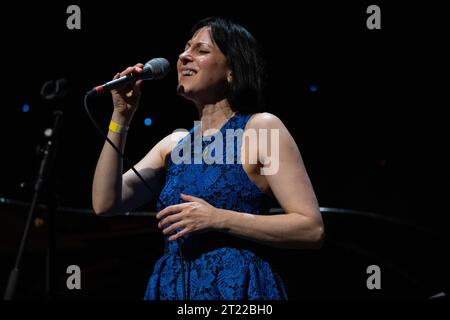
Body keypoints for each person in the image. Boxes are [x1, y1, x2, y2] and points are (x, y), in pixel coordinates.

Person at [92, 17, 324, 300]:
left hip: (236, 291)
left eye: (201, 50)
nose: (183, 56)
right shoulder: (174, 144)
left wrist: (217, 218)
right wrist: (120, 118)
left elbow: (310, 228)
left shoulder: (261, 128)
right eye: (186, 48)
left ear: (232, 70)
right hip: (173, 289)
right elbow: (106, 202)